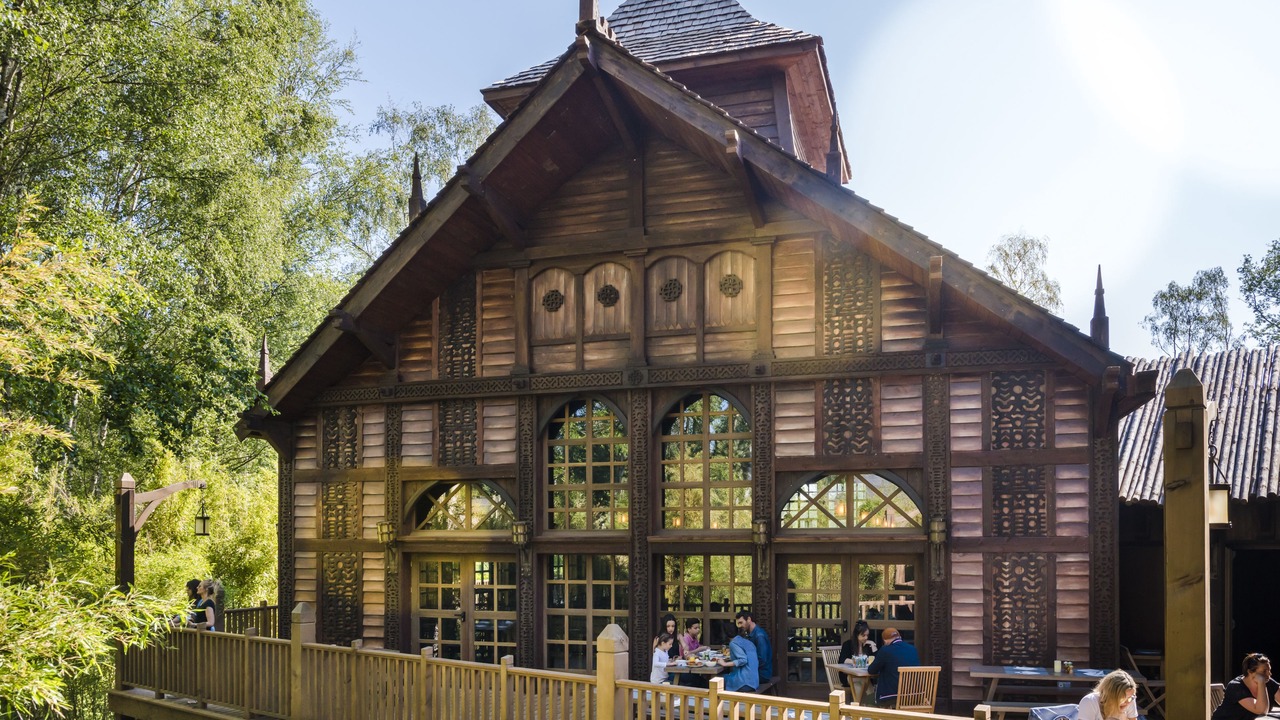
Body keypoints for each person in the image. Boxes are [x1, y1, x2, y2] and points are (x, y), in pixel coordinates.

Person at [1212, 652, 1280, 720]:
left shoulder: (1268, 681)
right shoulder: (1236, 687)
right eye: (1264, 671)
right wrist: (1261, 683)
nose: (1269, 674)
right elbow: (1261, 710)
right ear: (1250, 672)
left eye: (1269, 670)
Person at [867, 627, 919, 707]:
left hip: (892, 696)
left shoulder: (885, 650)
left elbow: (871, 670)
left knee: (868, 700)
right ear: (899, 637)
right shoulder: (913, 649)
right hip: (914, 695)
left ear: (885, 641)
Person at [717, 621, 759, 692]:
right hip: (754, 682)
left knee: (715, 679)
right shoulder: (748, 642)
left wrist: (724, 664)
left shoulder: (733, 643)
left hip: (745, 683)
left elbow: (743, 660)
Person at [735, 610, 772, 687]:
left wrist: (745, 666)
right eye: (738, 623)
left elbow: (762, 660)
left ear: (749, 619)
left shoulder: (759, 636)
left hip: (761, 674)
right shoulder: (750, 634)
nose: (739, 626)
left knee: (731, 680)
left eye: (741, 623)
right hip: (755, 671)